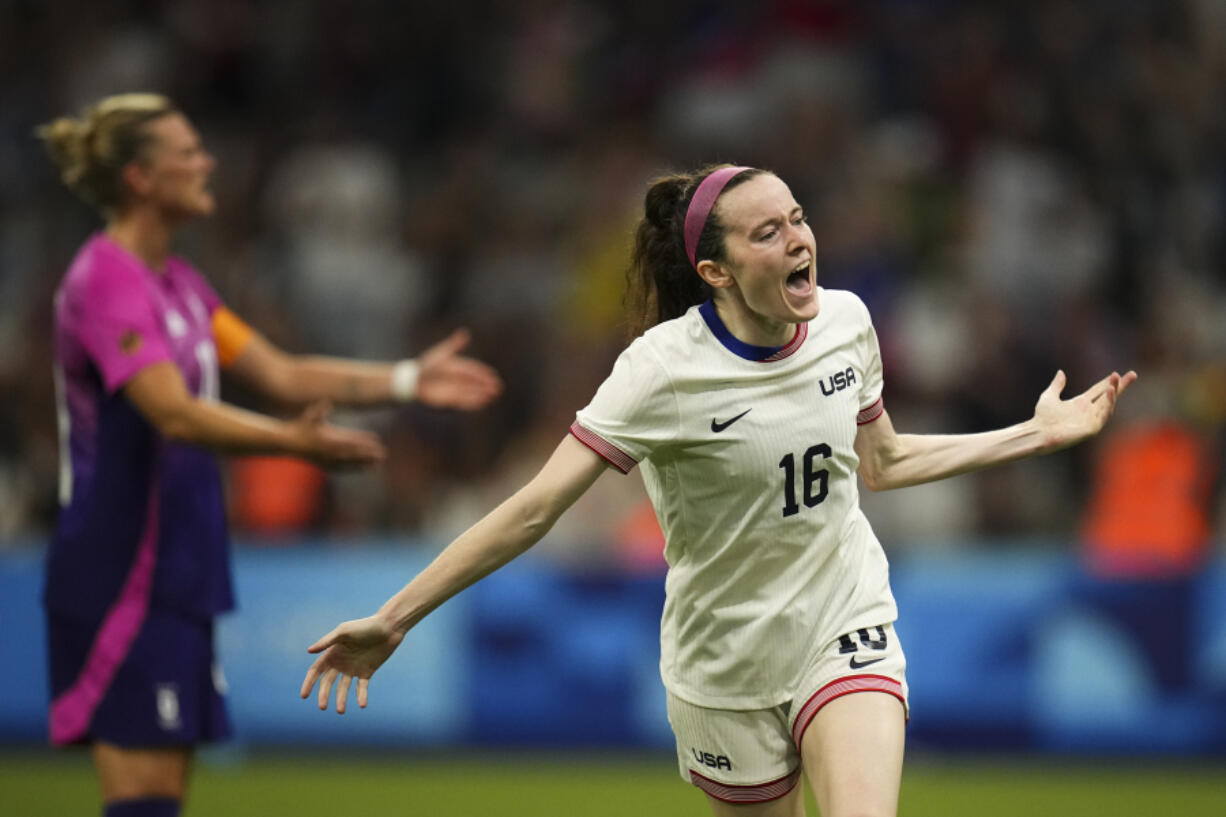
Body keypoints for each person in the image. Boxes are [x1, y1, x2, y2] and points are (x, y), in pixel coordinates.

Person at [300, 164, 1135, 817]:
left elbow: (880, 463)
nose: (798, 238)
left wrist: (1035, 433)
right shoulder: (661, 372)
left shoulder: (847, 322)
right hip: (722, 664)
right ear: (717, 269)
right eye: (767, 232)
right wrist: (394, 614)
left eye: (798, 218)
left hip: (843, 623)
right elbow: (533, 508)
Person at [38, 92, 502, 817]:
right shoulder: (107, 281)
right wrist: (293, 443)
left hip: (180, 566)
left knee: (161, 797)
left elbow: (282, 373)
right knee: (142, 800)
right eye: (186, 151)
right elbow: (171, 411)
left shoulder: (181, 286)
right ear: (139, 178)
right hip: (122, 570)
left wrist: (408, 377)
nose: (206, 162)